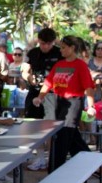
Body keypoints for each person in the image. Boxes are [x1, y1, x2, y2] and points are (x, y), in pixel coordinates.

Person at [32, 36, 96, 173]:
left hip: (73, 103)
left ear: (72, 48)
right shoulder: (59, 65)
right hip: (59, 102)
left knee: (63, 135)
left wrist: (91, 106)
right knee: (71, 137)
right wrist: (40, 97)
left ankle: (54, 170)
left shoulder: (80, 65)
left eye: (63, 47)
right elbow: (48, 83)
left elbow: (88, 87)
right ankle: (88, 161)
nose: (60, 50)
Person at [21, 28, 62, 171]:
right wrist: (28, 77)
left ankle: (51, 158)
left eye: (48, 44)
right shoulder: (33, 53)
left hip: (52, 94)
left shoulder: (59, 53)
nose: (45, 46)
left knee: (49, 126)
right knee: (33, 125)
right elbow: (25, 69)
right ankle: (39, 157)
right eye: (42, 43)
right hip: (34, 92)